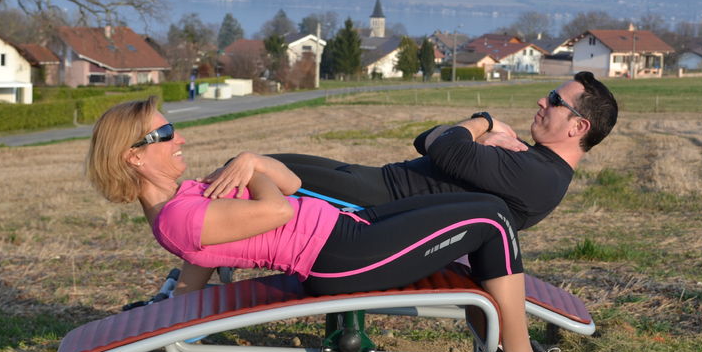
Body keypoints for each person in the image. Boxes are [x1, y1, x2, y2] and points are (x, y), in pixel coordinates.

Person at [85, 97, 582, 352]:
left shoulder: (183, 199)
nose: (180, 138)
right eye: (166, 134)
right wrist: (254, 163)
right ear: (134, 156)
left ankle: (513, 349)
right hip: (339, 257)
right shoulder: (179, 216)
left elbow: (292, 184)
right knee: (490, 222)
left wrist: (176, 300)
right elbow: (278, 210)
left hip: (349, 230)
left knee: (486, 207)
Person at [262, 71, 618, 232]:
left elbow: (445, 148)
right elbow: (426, 140)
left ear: (578, 127)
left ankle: (201, 316)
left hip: (374, 201)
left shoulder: (537, 174)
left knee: (250, 172)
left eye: (555, 100)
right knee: (256, 166)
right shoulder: (530, 160)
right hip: (373, 181)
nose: (543, 100)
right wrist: (471, 140)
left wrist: (484, 122)